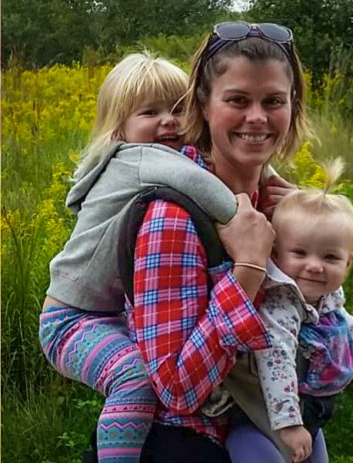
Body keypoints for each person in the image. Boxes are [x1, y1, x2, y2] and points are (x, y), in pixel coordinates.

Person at [39, 52, 239, 463]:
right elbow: (209, 191)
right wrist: (244, 221)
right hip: (69, 322)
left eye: (179, 109)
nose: (169, 120)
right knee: (134, 376)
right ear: (120, 129)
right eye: (150, 112)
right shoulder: (140, 158)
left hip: (100, 315)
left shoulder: (146, 159)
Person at [127, 21, 311, 462]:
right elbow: (176, 389)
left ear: (293, 107)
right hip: (190, 444)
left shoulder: (278, 206)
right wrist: (247, 270)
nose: (257, 118)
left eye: (273, 102)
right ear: (203, 106)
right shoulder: (174, 217)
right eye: (237, 100)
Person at [225, 159, 353, 463]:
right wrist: (289, 426)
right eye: (300, 253)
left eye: (331, 257)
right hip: (263, 417)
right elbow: (275, 358)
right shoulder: (281, 303)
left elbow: (342, 323)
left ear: (348, 263)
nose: (315, 266)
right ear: (277, 255)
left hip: (308, 413)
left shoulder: (327, 295)